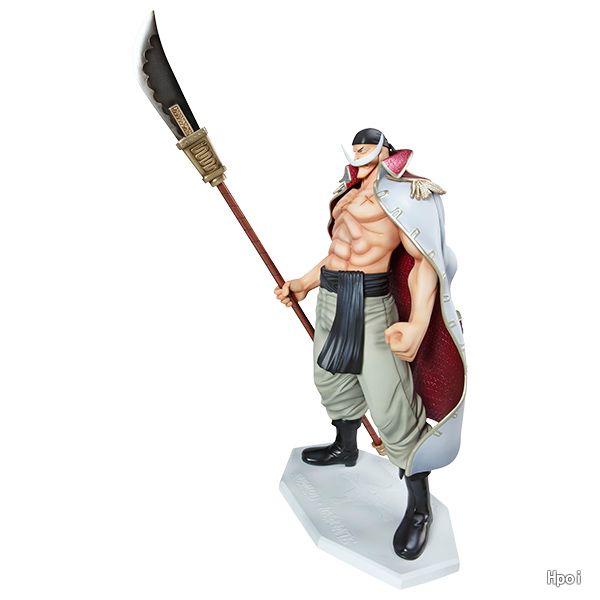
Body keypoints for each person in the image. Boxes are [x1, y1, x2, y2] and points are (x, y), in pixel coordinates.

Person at [274, 128, 458, 560]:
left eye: (366, 146)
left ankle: (419, 505)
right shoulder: (347, 192)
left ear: (385, 150)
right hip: (331, 297)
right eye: (355, 145)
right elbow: (338, 251)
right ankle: (345, 447)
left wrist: (417, 323)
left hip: (372, 304)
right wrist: (305, 282)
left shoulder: (407, 194)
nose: (358, 151)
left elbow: (424, 262)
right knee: (331, 379)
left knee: (392, 404)